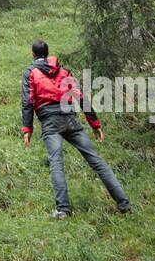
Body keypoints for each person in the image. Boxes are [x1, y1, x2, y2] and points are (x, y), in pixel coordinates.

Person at [21, 40, 132, 218]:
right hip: (70, 119)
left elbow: (28, 102)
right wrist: (95, 124)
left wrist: (28, 129)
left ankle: (63, 209)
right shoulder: (63, 71)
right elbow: (81, 97)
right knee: (96, 160)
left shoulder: (30, 72)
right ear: (47, 53)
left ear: (33, 54)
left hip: (50, 121)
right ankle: (124, 203)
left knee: (56, 163)